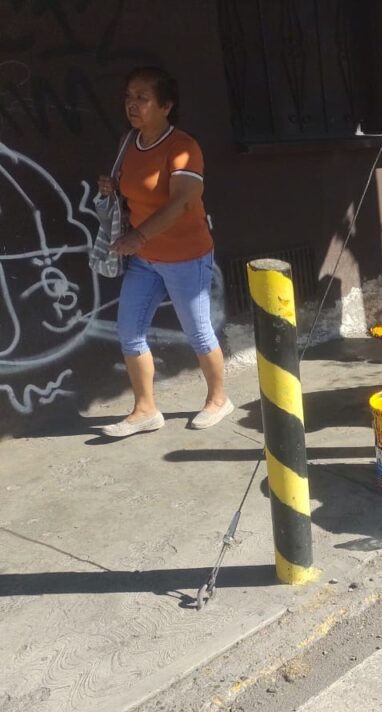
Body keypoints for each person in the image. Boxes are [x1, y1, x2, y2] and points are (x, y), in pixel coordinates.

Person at [98, 67, 231, 438]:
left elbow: (180, 203)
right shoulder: (129, 142)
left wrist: (137, 238)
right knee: (129, 332)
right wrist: (112, 187)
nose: (132, 104)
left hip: (186, 256)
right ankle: (145, 410)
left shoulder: (183, 147)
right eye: (128, 96)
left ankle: (219, 398)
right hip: (145, 260)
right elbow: (134, 191)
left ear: (166, 105)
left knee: (199, 333)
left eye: (142, 97)